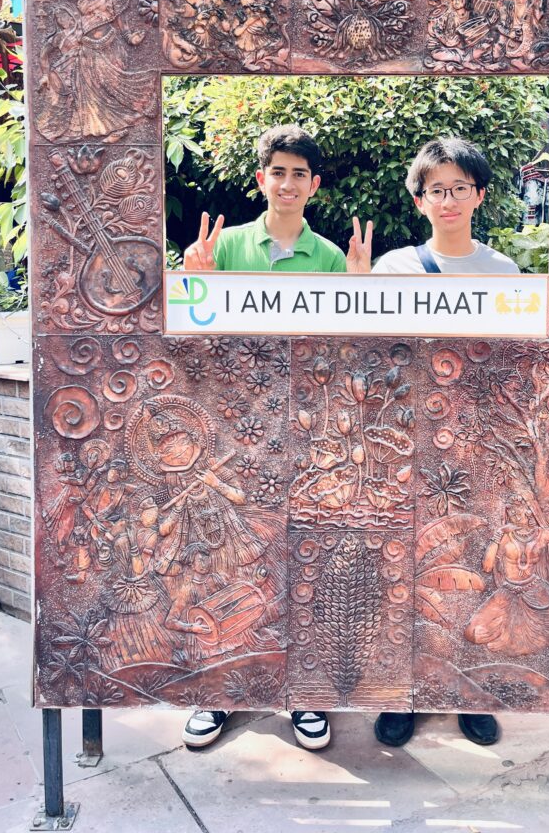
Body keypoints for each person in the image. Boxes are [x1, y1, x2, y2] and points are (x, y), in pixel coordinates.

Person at [180, 123, 372, 751]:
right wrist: (195, 279)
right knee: (226, 561)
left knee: (306, 559)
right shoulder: (228, 245)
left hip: (309, 437)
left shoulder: (331, 259)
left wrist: (360, 290)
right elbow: (194, 337)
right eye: (278, 172)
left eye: (299, 174)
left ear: (314, 186)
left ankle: (304, 696)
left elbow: (346, 350)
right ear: (261, 178)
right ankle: (220, 691)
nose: (288, 184)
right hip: (233, 435)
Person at [371, 135, 518, 749]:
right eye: (437, 190)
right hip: (406, 443)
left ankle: (471, 691)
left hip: (476, 444)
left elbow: (512, 366)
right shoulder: (393, 269)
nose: (449, 199)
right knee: (402, 564)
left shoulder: (505, 274)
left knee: (476, 565)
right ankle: (402, 691)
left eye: (460, 187)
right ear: (420, 200)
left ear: (479, 196)